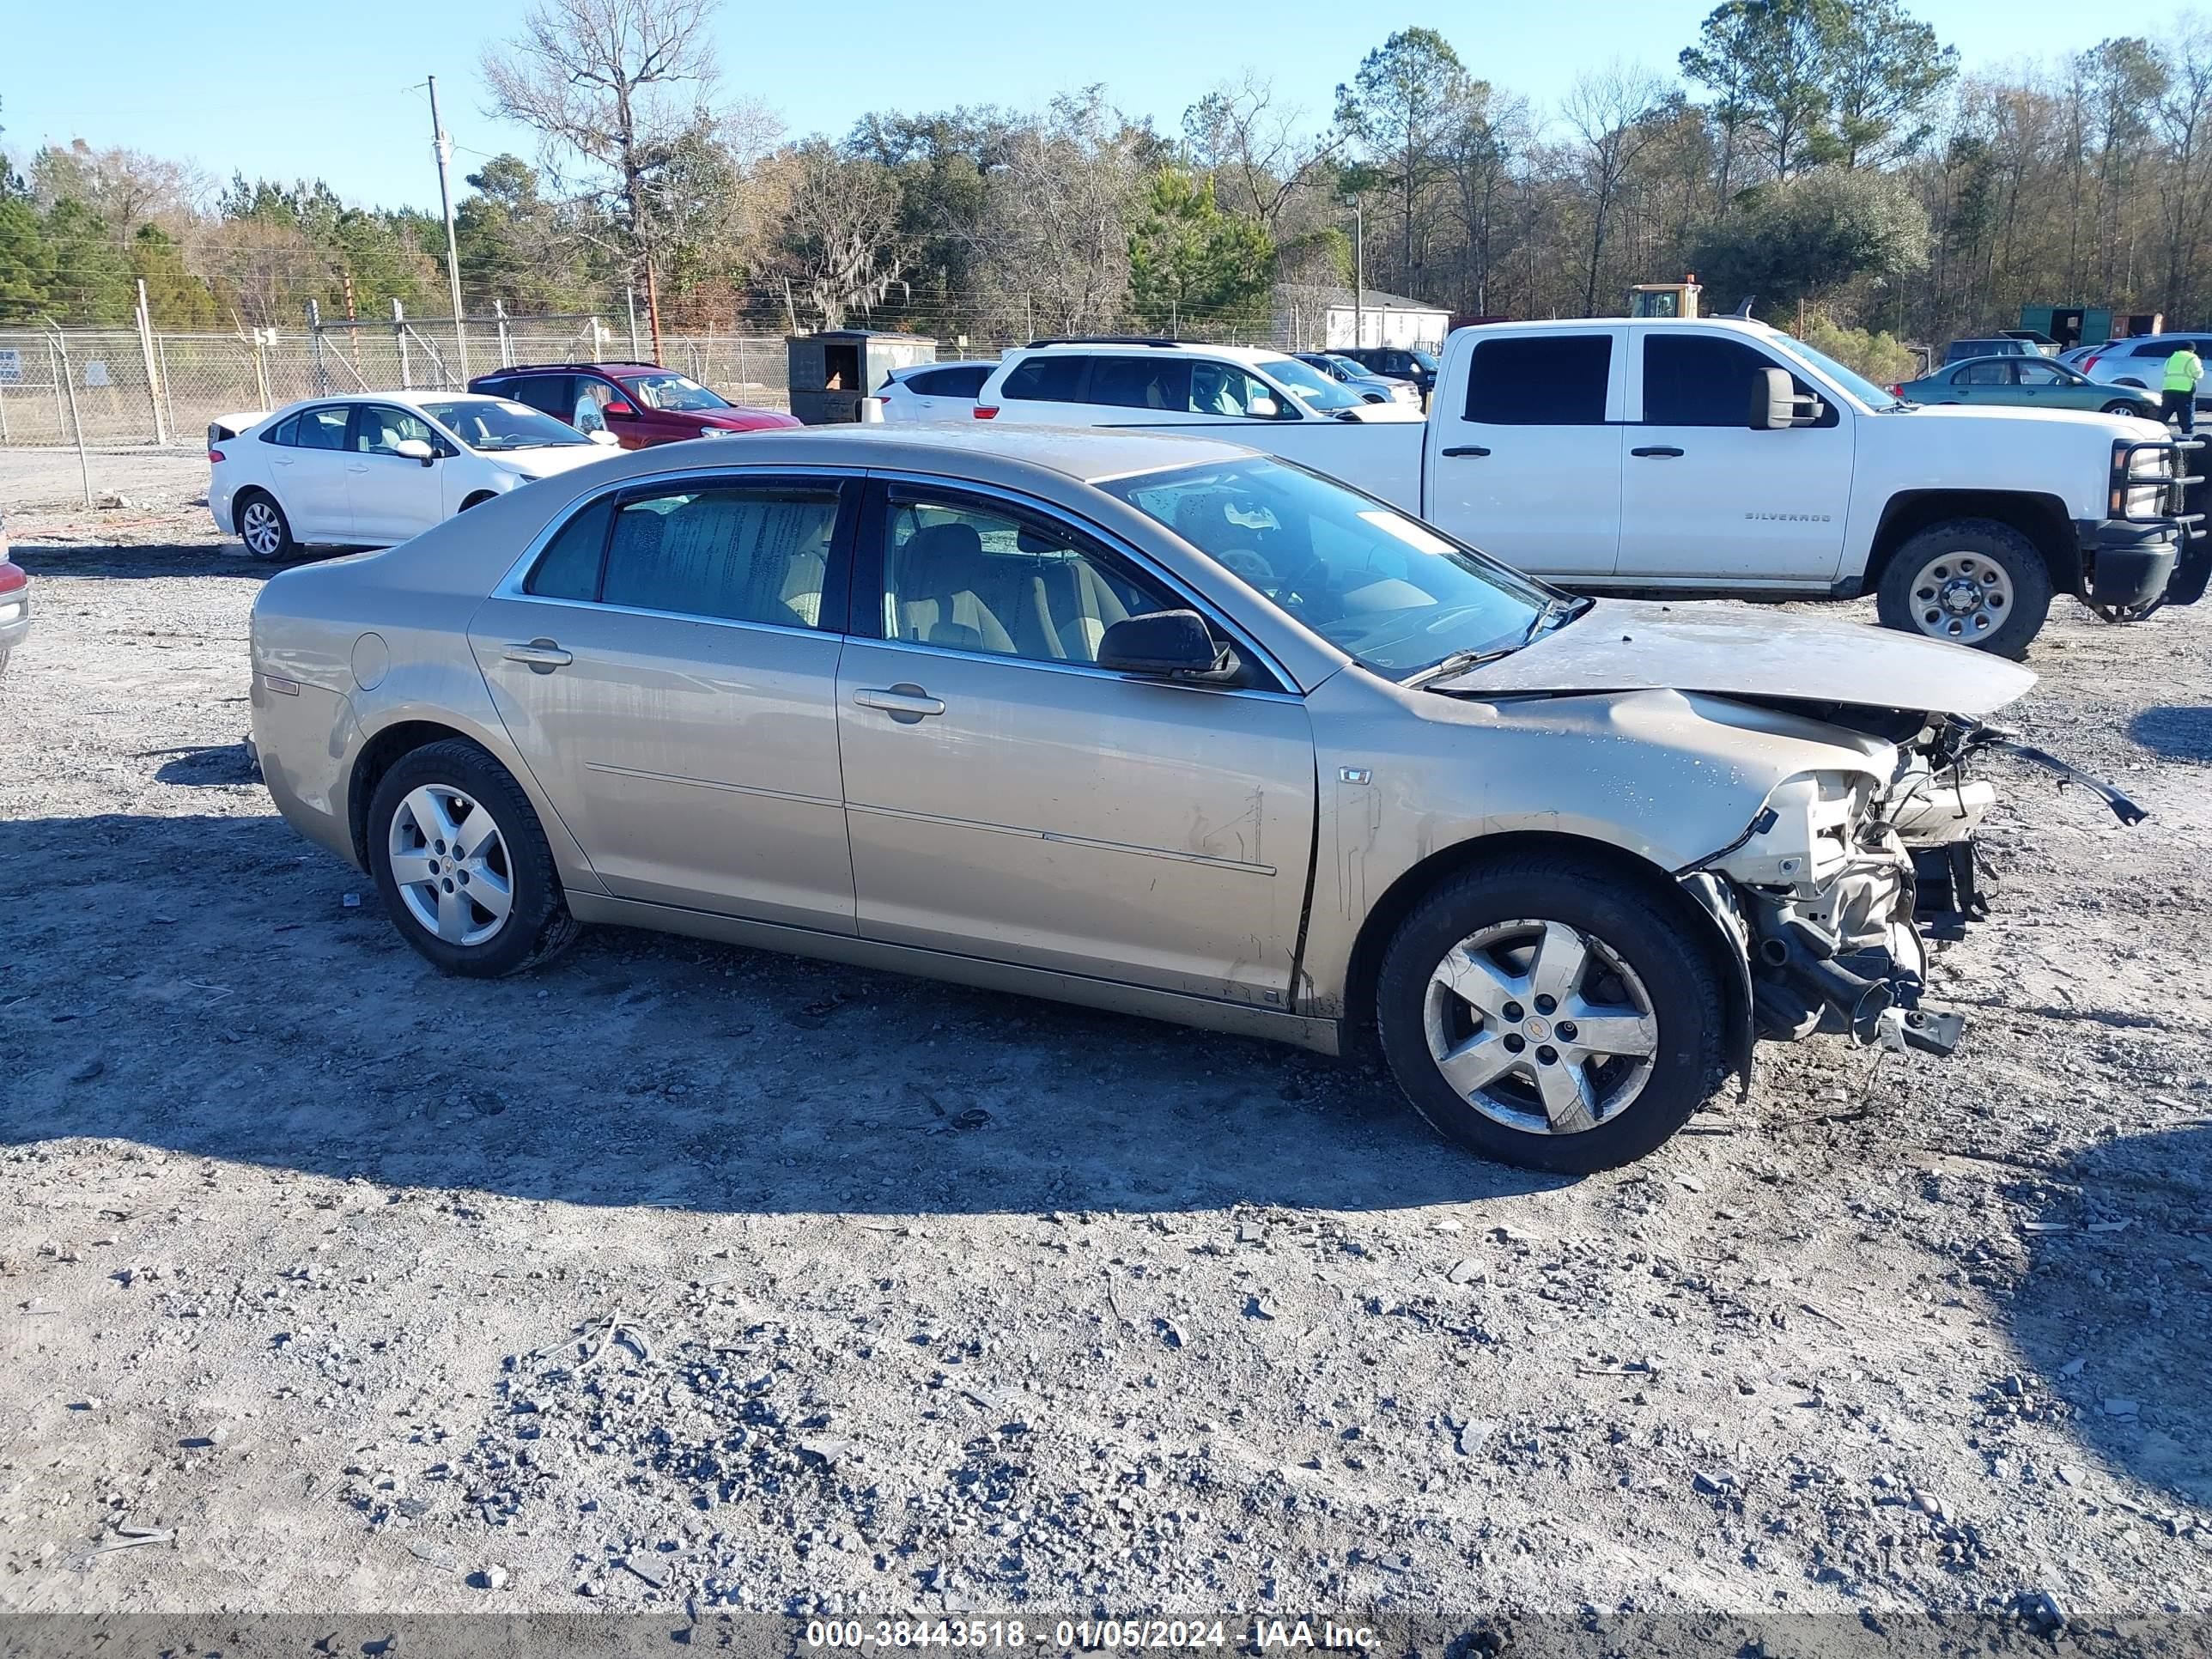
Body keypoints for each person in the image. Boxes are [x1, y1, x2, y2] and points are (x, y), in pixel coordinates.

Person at [2161, 342, 2203, 434]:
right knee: (2186, 418)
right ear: (2192, 350)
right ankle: (2187, 441)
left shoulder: (2170, 359)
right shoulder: (2192, 358)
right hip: (2185, 390)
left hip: (2168, 389)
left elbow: (2165, 371)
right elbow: (2198, 374)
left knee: (2163, 416)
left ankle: (2154, 437)